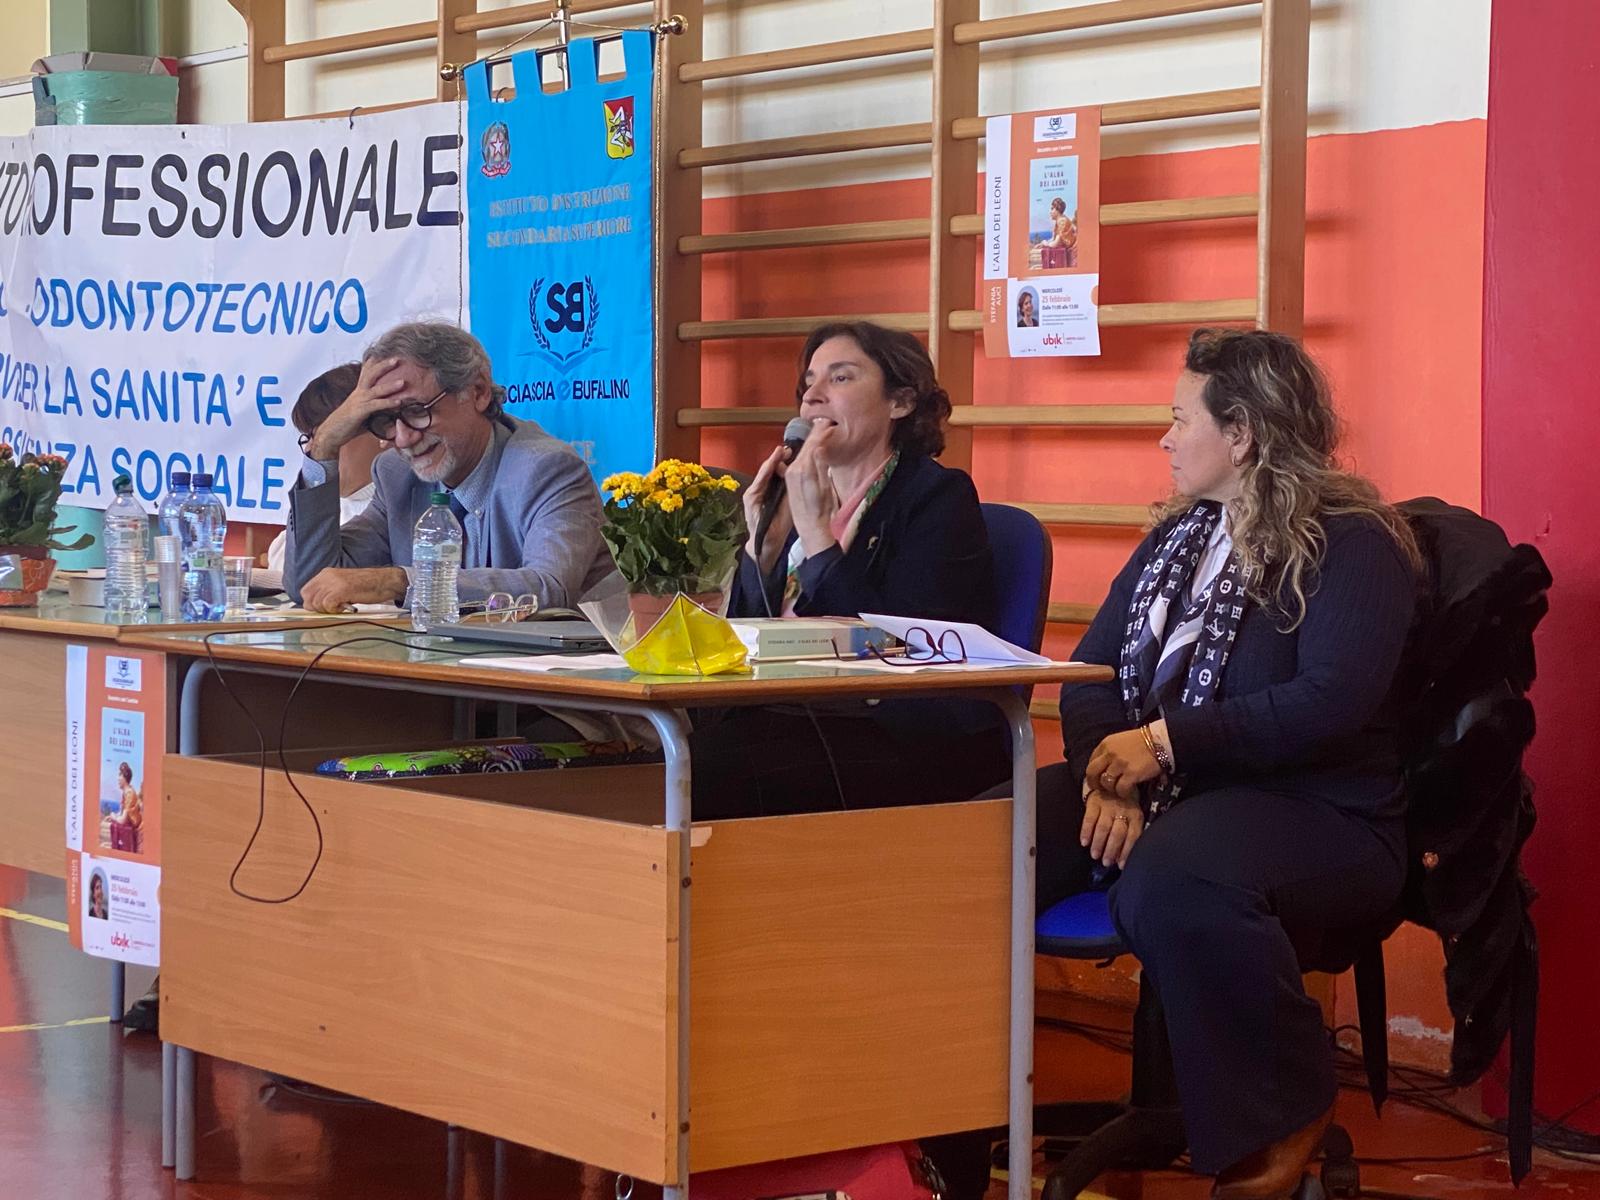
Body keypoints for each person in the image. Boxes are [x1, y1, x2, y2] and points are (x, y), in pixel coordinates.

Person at [1042, 328, 1423, 1198]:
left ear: (1242, 433)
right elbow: (1090, 674)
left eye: (1182, 420)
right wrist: (1111, 778)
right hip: (1175, 794)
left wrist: (1162, 746)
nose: (1165, 439)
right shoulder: (1176, 538)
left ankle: (1284, 1109)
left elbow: (1329, 701)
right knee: (986, 840)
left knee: (1176, 877)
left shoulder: (1355, 542)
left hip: (1324, 813)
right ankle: (938, 1119)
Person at [688, 320, 1009, 819]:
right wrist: (761, 552)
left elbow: (896, 648)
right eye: (809, 381)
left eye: (839, 378)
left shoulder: (938, 499)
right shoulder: (798, 498)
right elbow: (744, 645)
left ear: (900, 402)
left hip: (901, 734)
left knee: (705, 773)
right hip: (791, 716)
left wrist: (819, 538)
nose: (813, 396)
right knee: (652, 759)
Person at [283, 321, 615, 612]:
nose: (403, 438)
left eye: (417, 411)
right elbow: (310, 584)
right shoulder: (395, 473)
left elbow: (549, 588)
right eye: (386, 420)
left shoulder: (546, 468)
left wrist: (399, 582)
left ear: (478, 392)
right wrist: (323, 446)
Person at [261, 364, 382, 583]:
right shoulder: (323, 504)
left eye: (330, 436)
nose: (313, 450)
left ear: (382, 431)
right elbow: (290, 565)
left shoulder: (403, 501)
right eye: (310, 438)